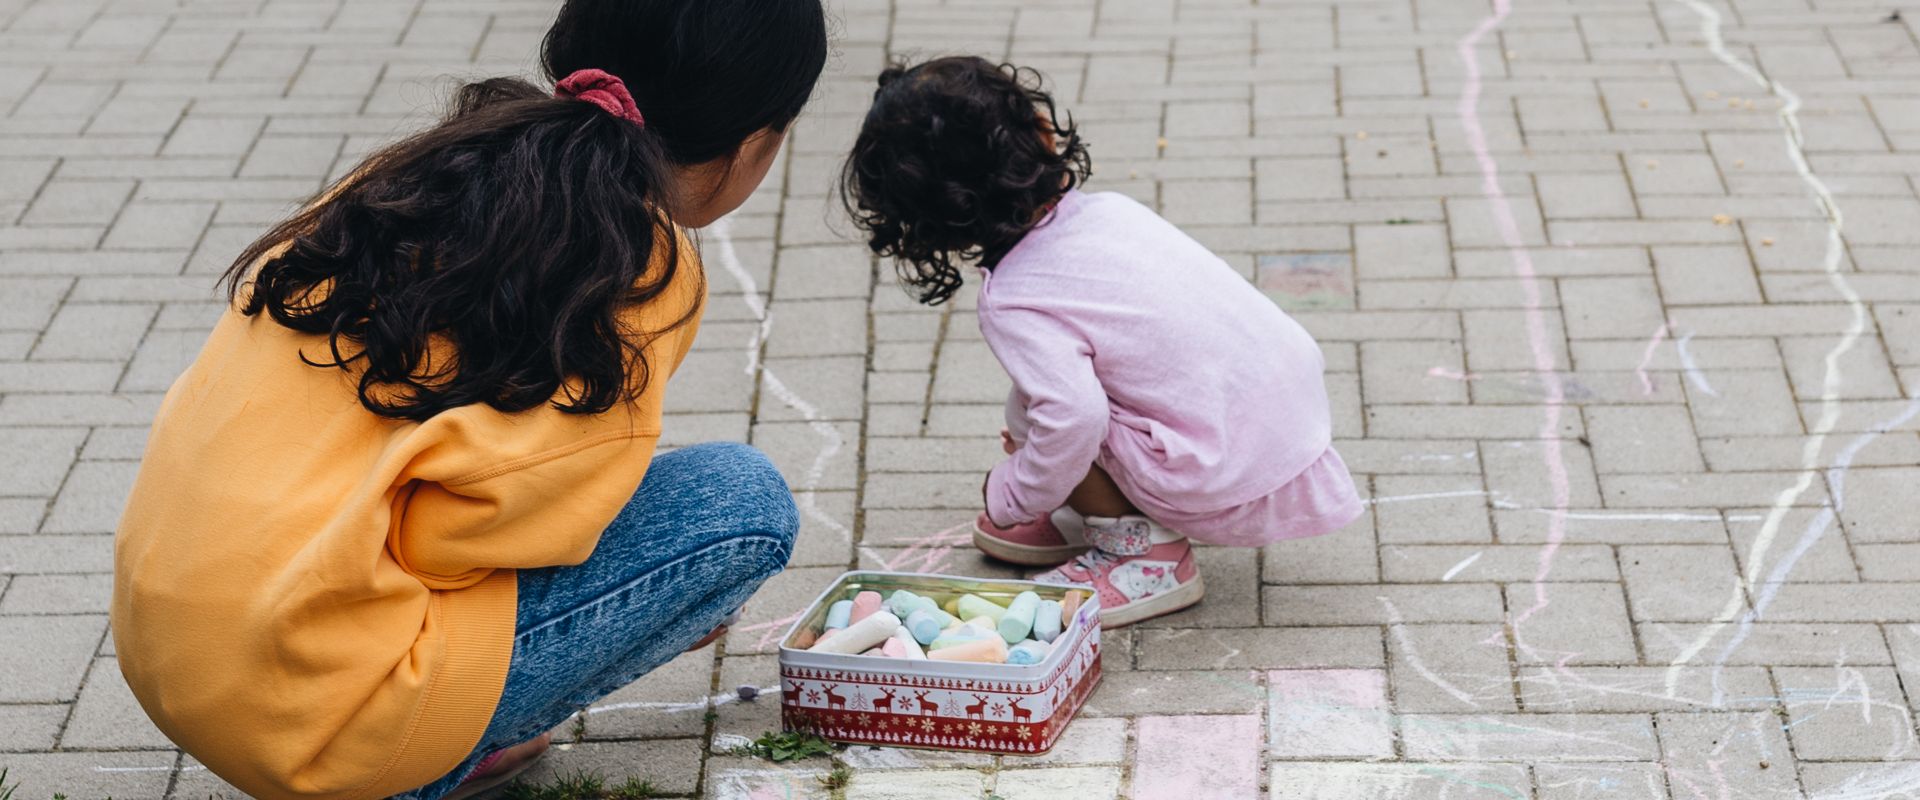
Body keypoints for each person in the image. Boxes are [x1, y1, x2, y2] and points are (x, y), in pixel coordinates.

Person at [110, 1, 827, 798]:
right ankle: (416, 764)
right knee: (739, 504)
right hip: (317, 710)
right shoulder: (640, 261)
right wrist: (634, 576)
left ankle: (434, 734)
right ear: (756, 143)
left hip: (174, 649)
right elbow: (445, 541)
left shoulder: (429, 170)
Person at [841, 57, 1362, 627]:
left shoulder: (1016, 298)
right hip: (1283, 422)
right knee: (1040, 402)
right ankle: (1095, 511)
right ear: (1040, 132)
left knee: (1057, 417)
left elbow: (1075, 422)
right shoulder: (1111, 211)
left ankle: (1147, 558)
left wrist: (1015, 490)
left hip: (1229, 468)